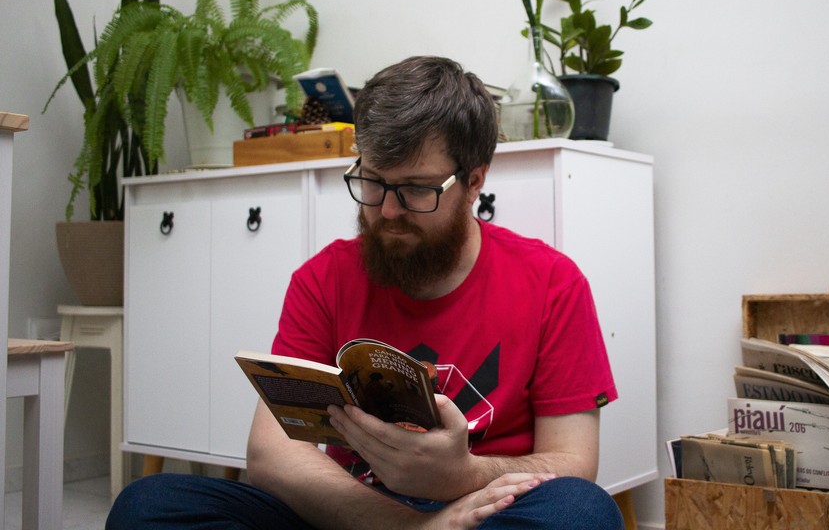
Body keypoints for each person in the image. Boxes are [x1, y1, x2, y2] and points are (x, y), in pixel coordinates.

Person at [107, 56, 624, 529]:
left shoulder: (553, 283)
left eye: (417, 189)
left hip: (482, 515)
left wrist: (459, 474)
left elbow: (573, 462)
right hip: (355, 516)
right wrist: (413, 527)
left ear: (474, 181)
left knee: (582, 511)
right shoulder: (323, 279)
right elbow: (270, 454)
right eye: (372, 182)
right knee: (148, 506)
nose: (388, 211)